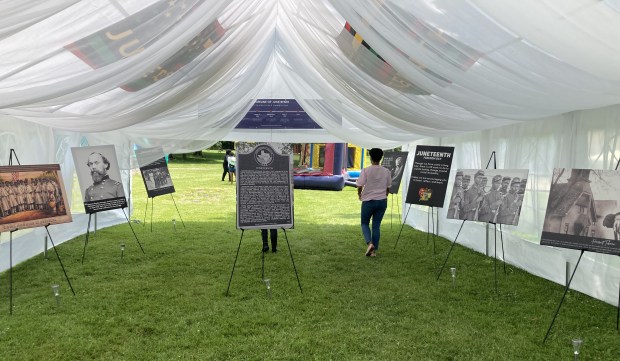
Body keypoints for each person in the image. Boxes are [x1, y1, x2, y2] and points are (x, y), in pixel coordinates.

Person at [356, 148, 391, 257]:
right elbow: (388, 187)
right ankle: (373, 251)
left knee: (364, 223)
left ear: (370, 157)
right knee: (376, 226)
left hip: (368, 201)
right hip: (382, 201)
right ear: (381, 158)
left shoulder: (366, 170)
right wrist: (384, 196)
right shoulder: (386, 171)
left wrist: (359, 194)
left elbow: (359, 184)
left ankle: (370, 244)